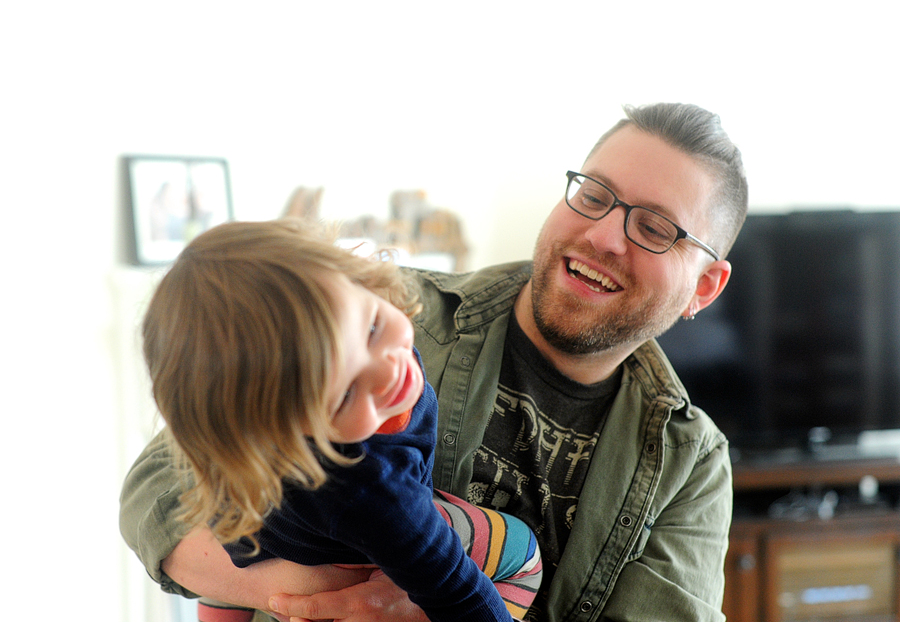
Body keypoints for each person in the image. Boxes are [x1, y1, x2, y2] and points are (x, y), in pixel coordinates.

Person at [121, 102, 749, 622]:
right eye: (595, 194)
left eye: (656, 229)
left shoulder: (690, 467)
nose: (604, 235)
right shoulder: (377, 309)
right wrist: (320, 595)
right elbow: (157, 491)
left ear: (704, 288)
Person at [139, 219, 542, 622]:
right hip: (336, 548)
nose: (388, 372)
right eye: (346, 393)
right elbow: (455, 590)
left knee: (241, 539)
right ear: (279, 434)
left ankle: (230, 588)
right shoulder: (376, 496)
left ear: (359, 279)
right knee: (522, 551)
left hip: (251, 534)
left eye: (371, 329)